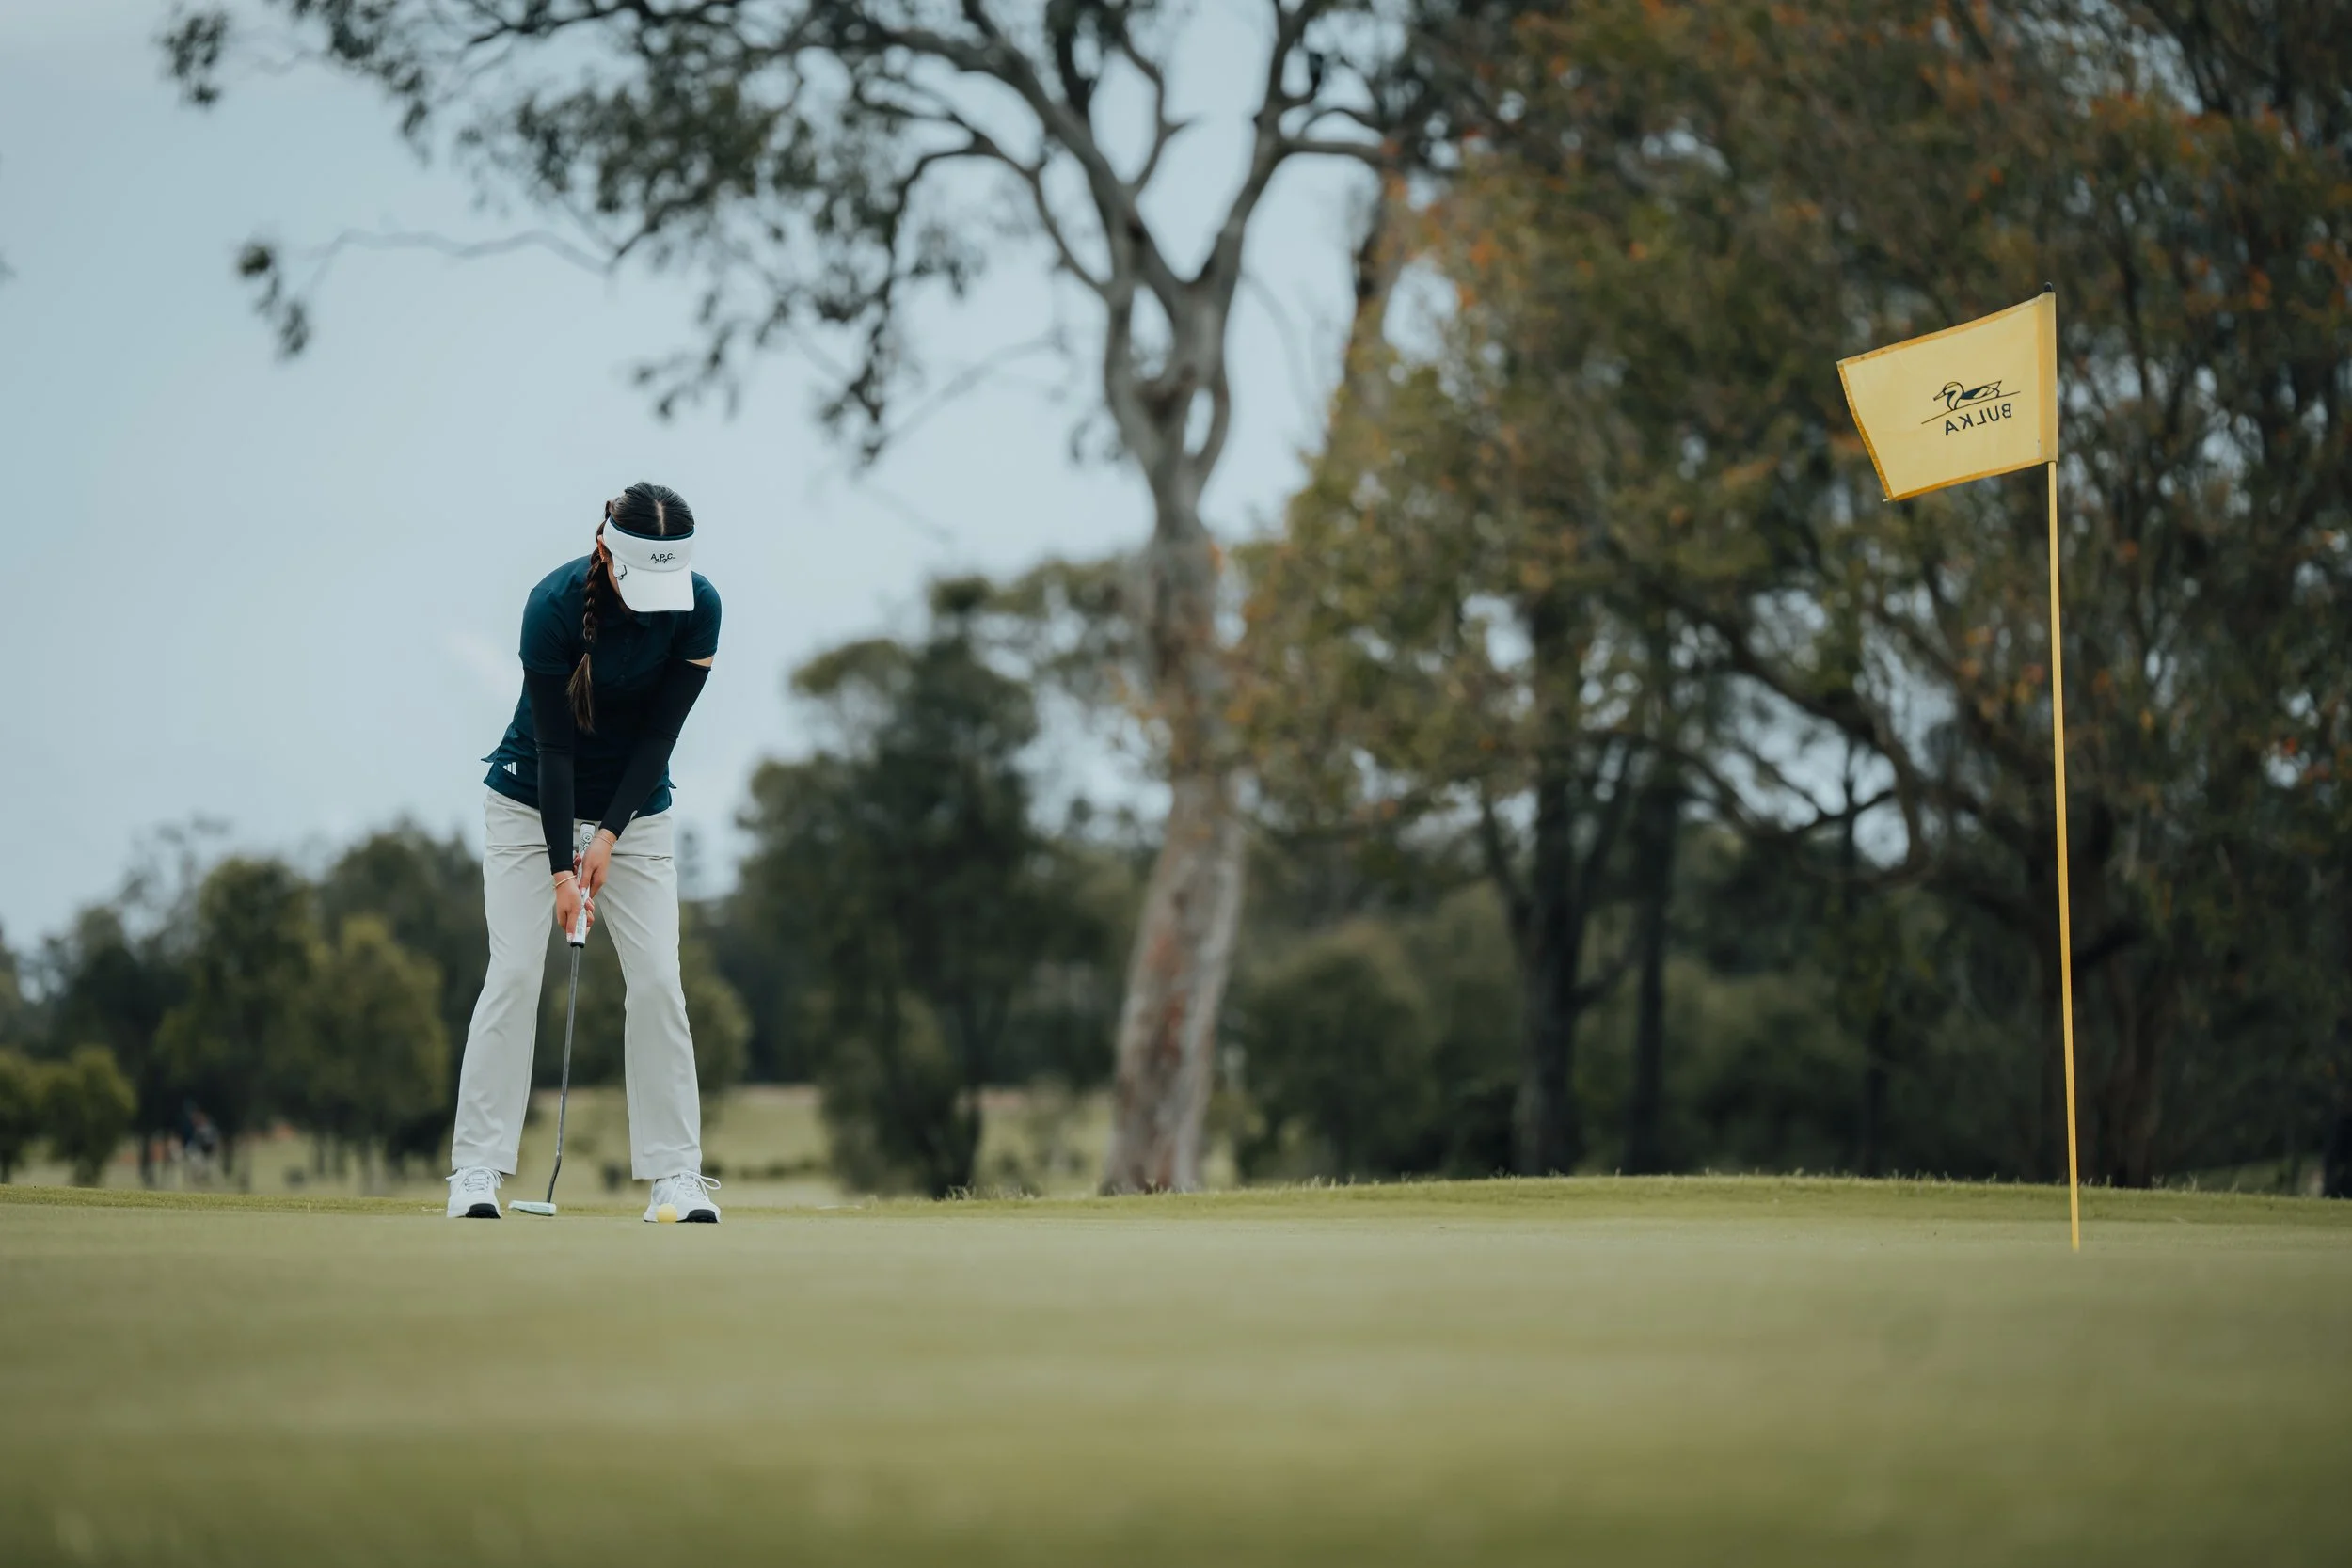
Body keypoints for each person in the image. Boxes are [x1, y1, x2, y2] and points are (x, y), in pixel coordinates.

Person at [446, 483, 723, 1222]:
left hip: (635, 813)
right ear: (607, 550)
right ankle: (476, 1169)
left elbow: (659, 738)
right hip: (529, 799)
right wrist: (563, 871)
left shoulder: (701, 608)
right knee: (511, 973)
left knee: (661, 980)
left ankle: (675, 1176)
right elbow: (555, 746)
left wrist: (607, 835)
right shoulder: (553, 606)